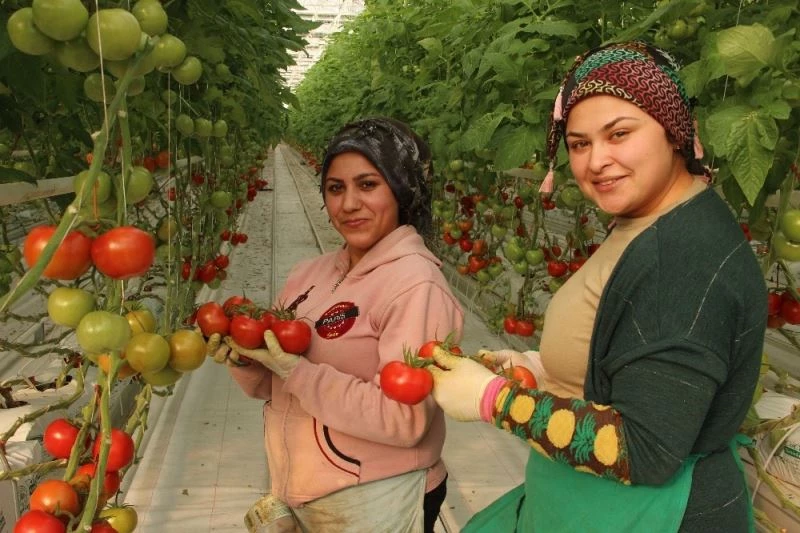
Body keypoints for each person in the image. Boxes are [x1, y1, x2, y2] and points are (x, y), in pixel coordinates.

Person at [427, 41, 767, 532]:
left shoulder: (680, 256)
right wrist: (539, 367)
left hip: (651, 515)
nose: (596, 161)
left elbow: (644, 448)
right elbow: (636, 356)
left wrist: (497, 401)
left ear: (672, 131)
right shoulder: (649, 219)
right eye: (580, 144)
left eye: (620, 134)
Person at [214, 117, 464, 533]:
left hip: (377, 496)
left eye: (368, 185)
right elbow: (272, 386)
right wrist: (246, 361)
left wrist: (299, 372)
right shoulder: (308, 274)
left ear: (402, 190)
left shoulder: (415, 286)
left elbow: (404, 421)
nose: (348, 204)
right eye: (335, 188)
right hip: (309, 492)